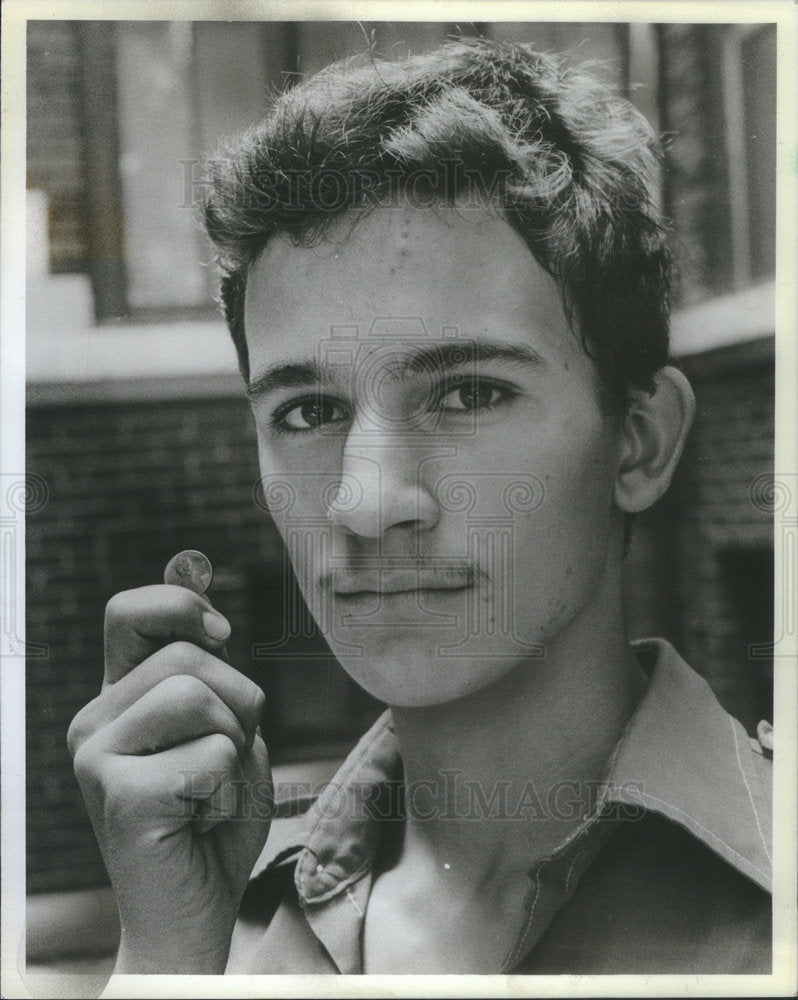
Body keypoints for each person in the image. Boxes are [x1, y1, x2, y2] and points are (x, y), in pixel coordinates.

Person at [67, 37, 772, 975]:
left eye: (468, 393)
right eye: (309, 411)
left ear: (640, 441)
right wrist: (160, 960)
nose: (366, 501)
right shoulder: (216, 932)